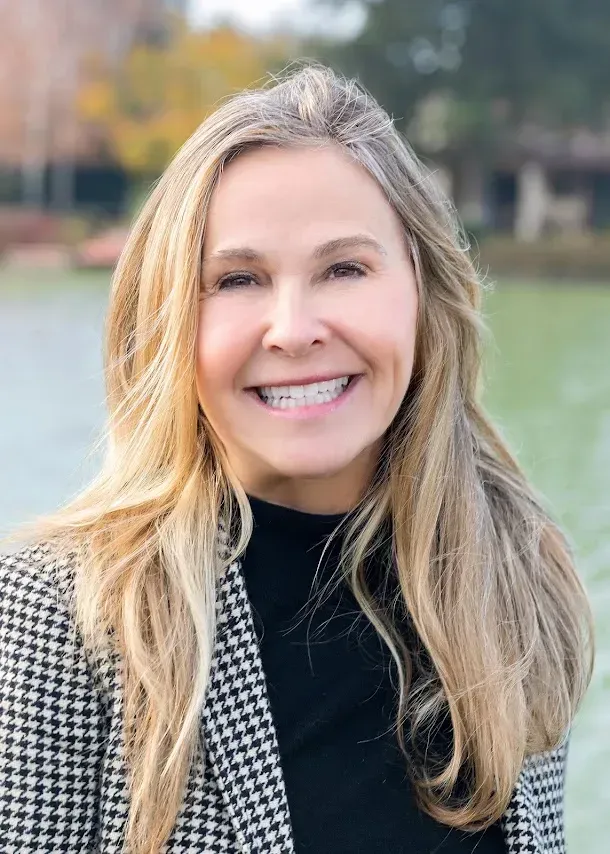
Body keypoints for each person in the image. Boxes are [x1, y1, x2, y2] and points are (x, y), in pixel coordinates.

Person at [0, 64, 593, 854]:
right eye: (238, 279)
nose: (292, 329)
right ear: (171, 318)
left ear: (424, 293)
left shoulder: (519, 572)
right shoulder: (60, 614)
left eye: (344, 269)